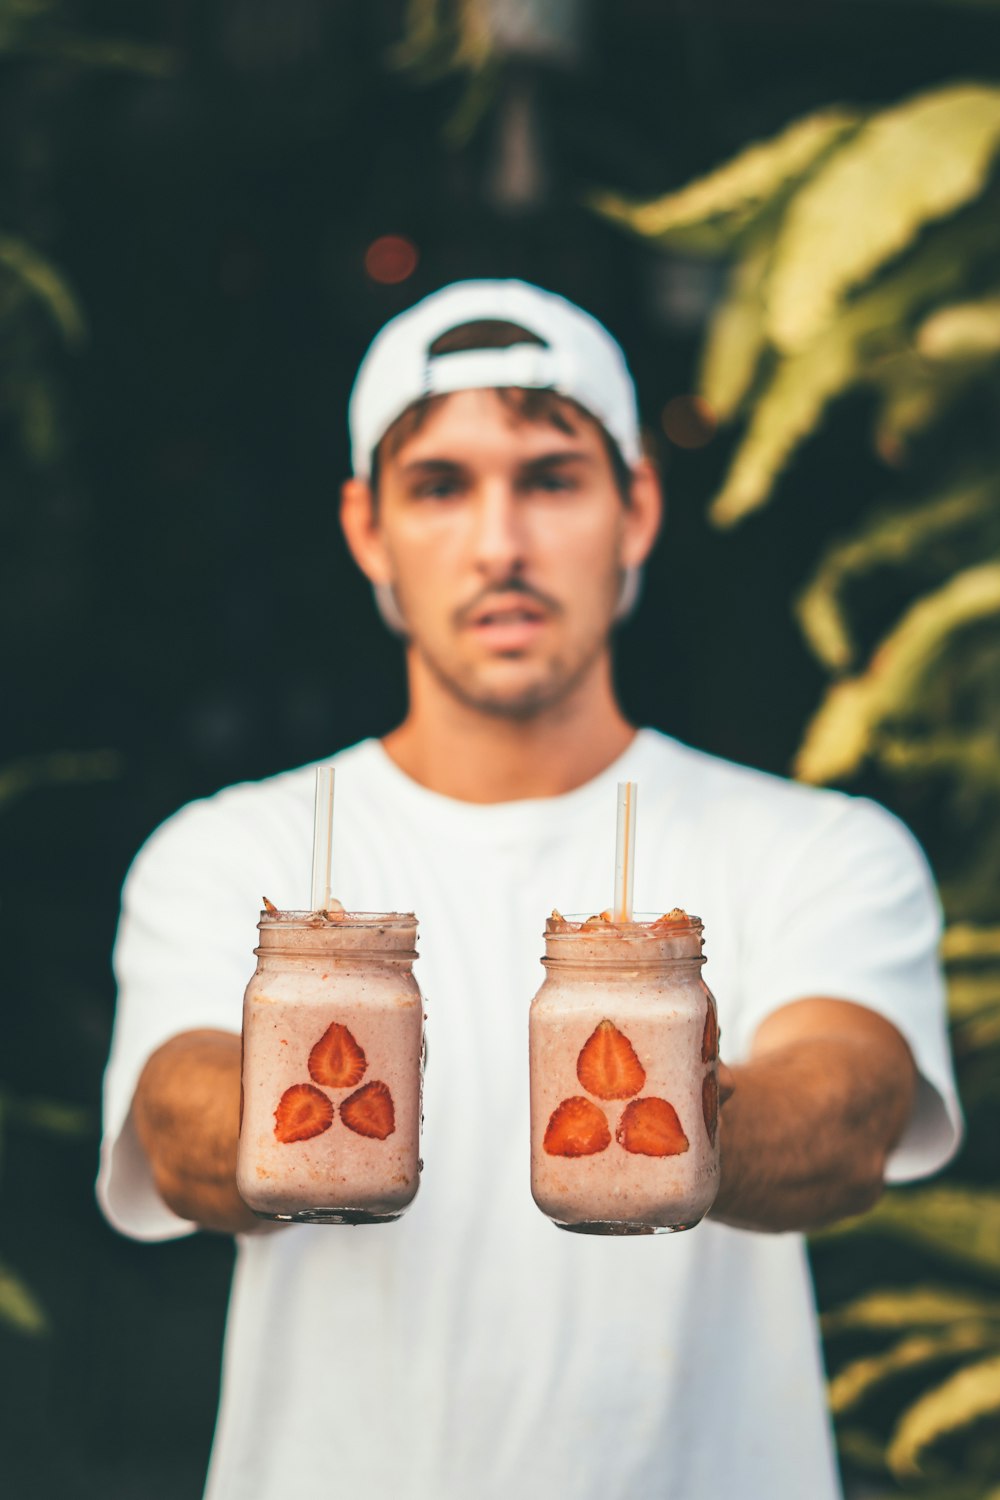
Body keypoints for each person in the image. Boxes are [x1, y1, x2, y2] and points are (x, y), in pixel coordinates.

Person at [98, 279, 961, 1500]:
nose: (500, 542)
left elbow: (850, 1119)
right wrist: (311, 1102)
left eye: (550, 478)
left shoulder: (817, 849)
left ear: (637, 508)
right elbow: (182, 1136)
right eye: (441, 487)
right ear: (366, 528)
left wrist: (654, 1111)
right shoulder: (233, 853)